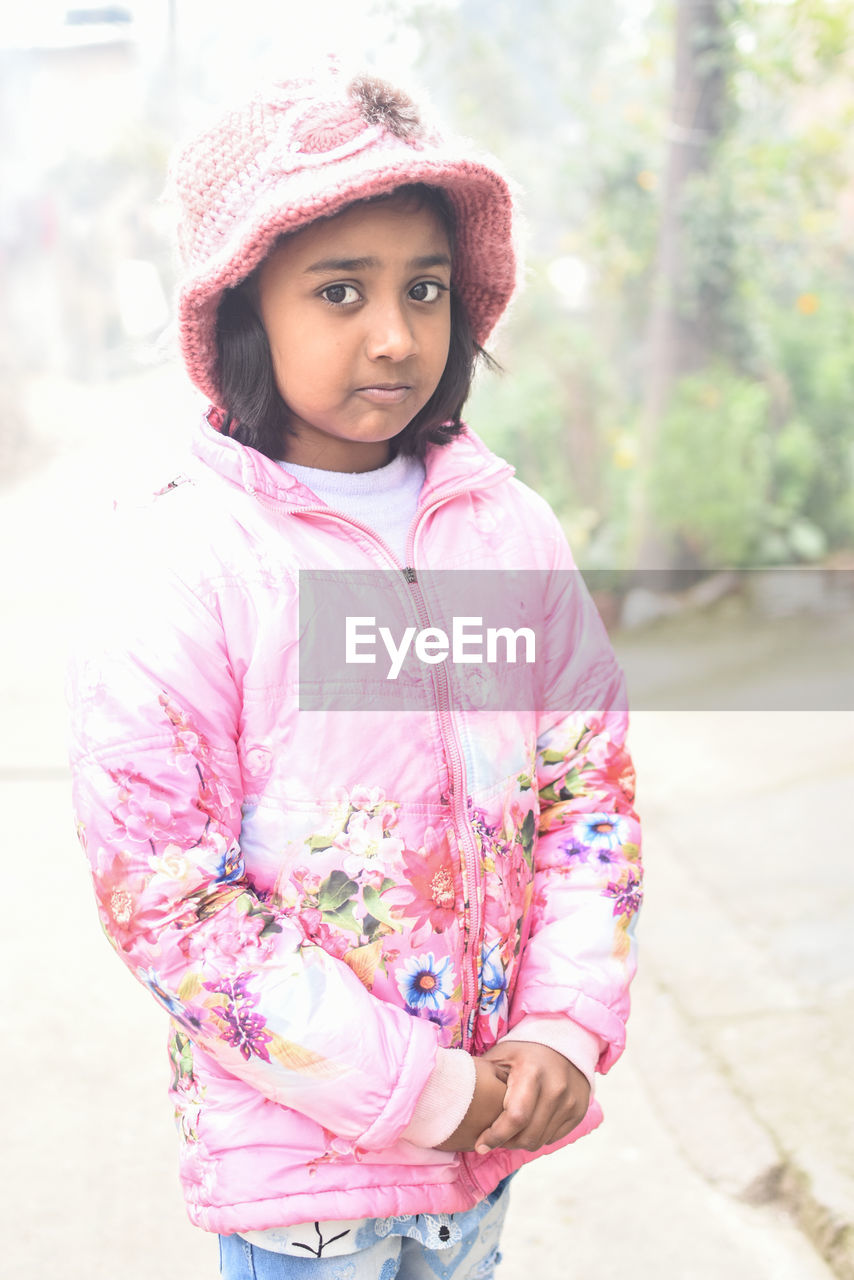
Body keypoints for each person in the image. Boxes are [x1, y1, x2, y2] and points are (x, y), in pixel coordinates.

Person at [68, 60, 642, 1280]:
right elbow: (168, 897)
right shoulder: (187, 556)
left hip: (481, 1150)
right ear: (241, 308)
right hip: (304, 1180)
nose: (395, 336)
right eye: (340, 290)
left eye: (424, 290)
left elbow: (584, 799)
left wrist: (560, 1026)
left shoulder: (503, 532)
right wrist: (419, 1086)